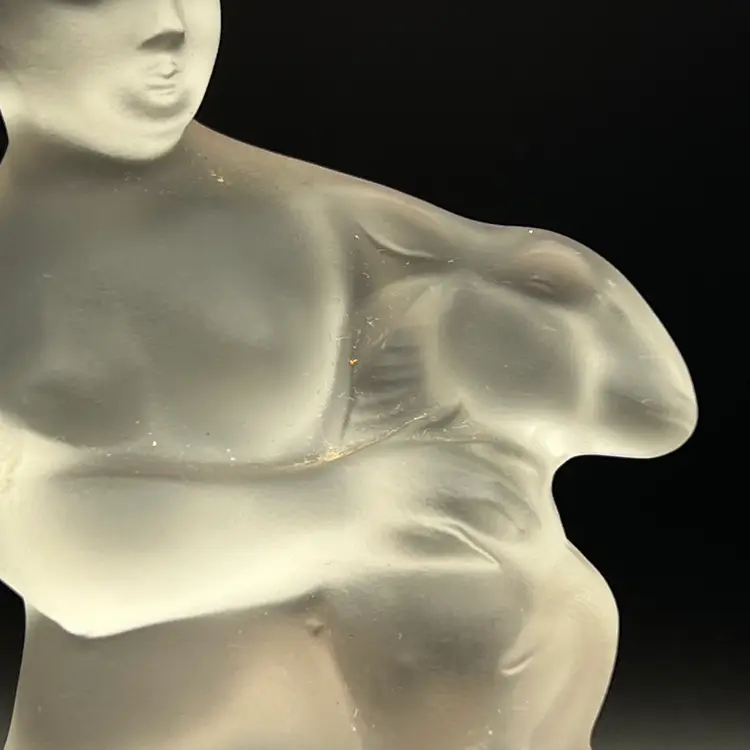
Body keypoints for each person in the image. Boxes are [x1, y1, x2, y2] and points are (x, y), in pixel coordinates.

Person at [0, 2, 697, 749]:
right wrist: (350, 510)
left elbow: (650, 407)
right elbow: (61, 564)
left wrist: (476, 322)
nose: (171, 26)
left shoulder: (322, 219)